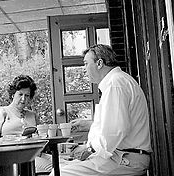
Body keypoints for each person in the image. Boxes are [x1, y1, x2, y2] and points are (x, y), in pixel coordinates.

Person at [50, 44, 152, 176]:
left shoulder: (115, 84)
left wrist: (88, 150)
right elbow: (115, 124)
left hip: (125, 159)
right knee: (60, 166)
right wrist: (89, 125)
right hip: (121, 156)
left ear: (99, 63)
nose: (84, 69)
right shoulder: (118, 81)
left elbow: (115, 131)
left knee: (59, 174)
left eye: (86, 64)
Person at [0, 75, 52, 173]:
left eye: (27, 96)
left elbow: (40, 137)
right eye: (20, 94)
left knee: (62, 163)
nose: (23, 99)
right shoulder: (1, 111)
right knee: (51, 167)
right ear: (13, 94)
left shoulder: (32, 115)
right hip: (13, 157)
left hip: (35, 154)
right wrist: (13, 139)